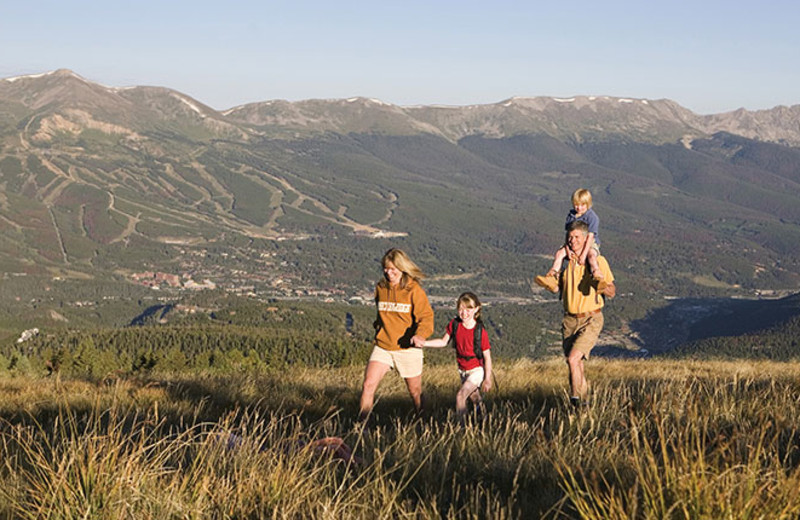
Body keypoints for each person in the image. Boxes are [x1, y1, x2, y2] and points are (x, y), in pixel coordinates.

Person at [359, 248, 434, 420]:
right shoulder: (381, 288)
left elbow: (426, 316)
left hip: (407, 347)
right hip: (383, 345)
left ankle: (425, 422)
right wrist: (379, 326)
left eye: (393, 269)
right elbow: (381, 313)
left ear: (402, 268)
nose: (389, 272)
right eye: (386, 268)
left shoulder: (413, 290)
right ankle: (362, 427)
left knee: (415, 392)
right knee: (368, 385)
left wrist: (420, 335)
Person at [556, 220, 616, 408]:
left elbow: (612, 292)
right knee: (576, 365)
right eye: (569, 237)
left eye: (576, 237)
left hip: (591, 318)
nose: (572, 241)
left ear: (586, 239)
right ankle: (585, 405)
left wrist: (597, 283)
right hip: (569, 320)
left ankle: (574, 400)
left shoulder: (597, 261)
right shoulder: (567, 263)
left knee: (572, 359)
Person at [422, 292, 493, 418]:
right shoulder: (455, 324)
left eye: (468, 309)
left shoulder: (480, 331)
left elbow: (487, 356)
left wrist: (487, 379)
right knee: (475, 397)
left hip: (476, 370)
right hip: (462, 370)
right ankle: (486, 421)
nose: (464, 313)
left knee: (460, 396)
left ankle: (462, 428)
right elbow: (443, 342)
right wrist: (423, 343)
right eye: (461, 309)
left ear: (476, 309)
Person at [535, 188, 606, 293]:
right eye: (576, 204)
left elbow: (590, 237)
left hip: (589, 243)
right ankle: (552, 275)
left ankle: (597, 276)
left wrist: (583, 255)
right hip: (572, 242)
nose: (579, 208)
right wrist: (568, 249)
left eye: (582, 205)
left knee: (591, 256)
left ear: (588, 204)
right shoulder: (571, 216)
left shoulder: (592, 218)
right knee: (559, 254)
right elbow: (568, 234)